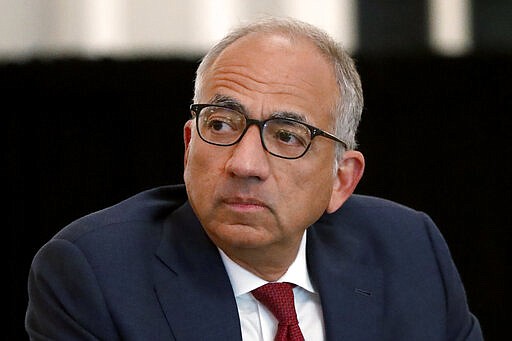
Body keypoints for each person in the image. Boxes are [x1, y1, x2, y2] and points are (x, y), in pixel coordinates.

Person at [25, 16, 483, 340]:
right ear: (189, 145)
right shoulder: (95, 275)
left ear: (341, 179)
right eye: (221, 125)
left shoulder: (409, 251)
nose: (245, 164)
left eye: (287, 136)